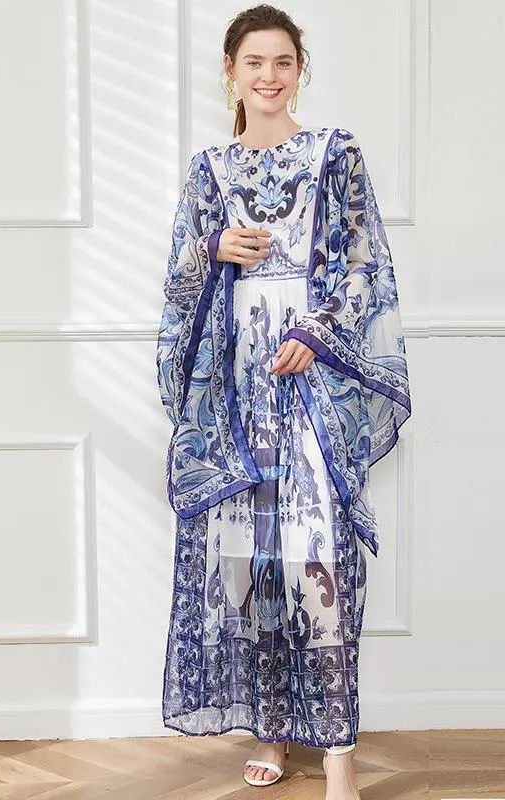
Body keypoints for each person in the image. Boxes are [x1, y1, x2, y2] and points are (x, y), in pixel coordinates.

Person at [155, 5, 412, 798]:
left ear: (301, 71)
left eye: (282, 62)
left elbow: (363, 263)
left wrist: (317, 329)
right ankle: (270, 729)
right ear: (229, 72)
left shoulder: (335, 153)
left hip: (310, 378)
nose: (268, 76)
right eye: (253, 62)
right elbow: (178, 283)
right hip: (236, 389)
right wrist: (213, 249)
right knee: (252, 562)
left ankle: (338, 757)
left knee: (317, 557)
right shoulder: (209, 170)